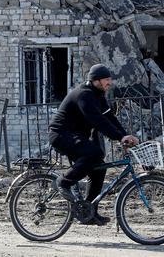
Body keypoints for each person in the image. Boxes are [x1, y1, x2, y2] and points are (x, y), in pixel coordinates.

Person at [48, 64, 139, 226]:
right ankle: (63, 182)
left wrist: (124, 135)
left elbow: (109, 117)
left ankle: (88, 212)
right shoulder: (84, 95)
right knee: (95, 153)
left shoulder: (98, 95)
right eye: (106, 79)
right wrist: (119, 137)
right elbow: (97, 121)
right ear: (95, 80)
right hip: (61, 135)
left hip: (75, 136)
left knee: (100, 168)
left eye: (110, 79)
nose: (109, 82)